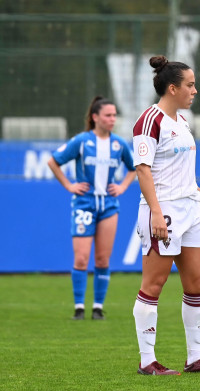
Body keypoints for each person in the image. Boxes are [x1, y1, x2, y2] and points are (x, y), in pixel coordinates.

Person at [131, 55, 200, 375]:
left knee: (196, 284)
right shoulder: (149, 121)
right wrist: (156, 213)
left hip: (191, 210)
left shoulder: (182, 123)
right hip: (164, 212)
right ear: (172, 89)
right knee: (153, 285)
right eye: (190, 85)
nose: (195, 90)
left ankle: (195, 359)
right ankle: (147, 361)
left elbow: (183, 174)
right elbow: (143, 171)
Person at [48, 96, 136, 321]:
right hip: (84, 205)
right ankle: (79, 307)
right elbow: (53, 162)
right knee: (81, 259)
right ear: (95, 117)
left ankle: (97, 307)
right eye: (108, 115)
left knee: (103, 260)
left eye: (114, 115)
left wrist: (123, 186)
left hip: (108, 206)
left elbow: (135, 167)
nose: (112, 119)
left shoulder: (118, 144)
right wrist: (69, 185)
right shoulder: (82, 141)